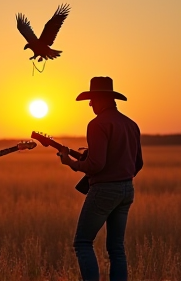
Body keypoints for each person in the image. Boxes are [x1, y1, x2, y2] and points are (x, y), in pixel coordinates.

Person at [58, 76, 143, 281]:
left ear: (102, 99)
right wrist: (120, 175)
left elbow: (95, 165)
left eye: (92, 99)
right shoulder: (131, 124)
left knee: (83, 242)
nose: (90, 104)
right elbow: (137, 163)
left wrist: (70, 163)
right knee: (116, 249)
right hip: (127, 190)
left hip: (104, 191)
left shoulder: (97, 124)